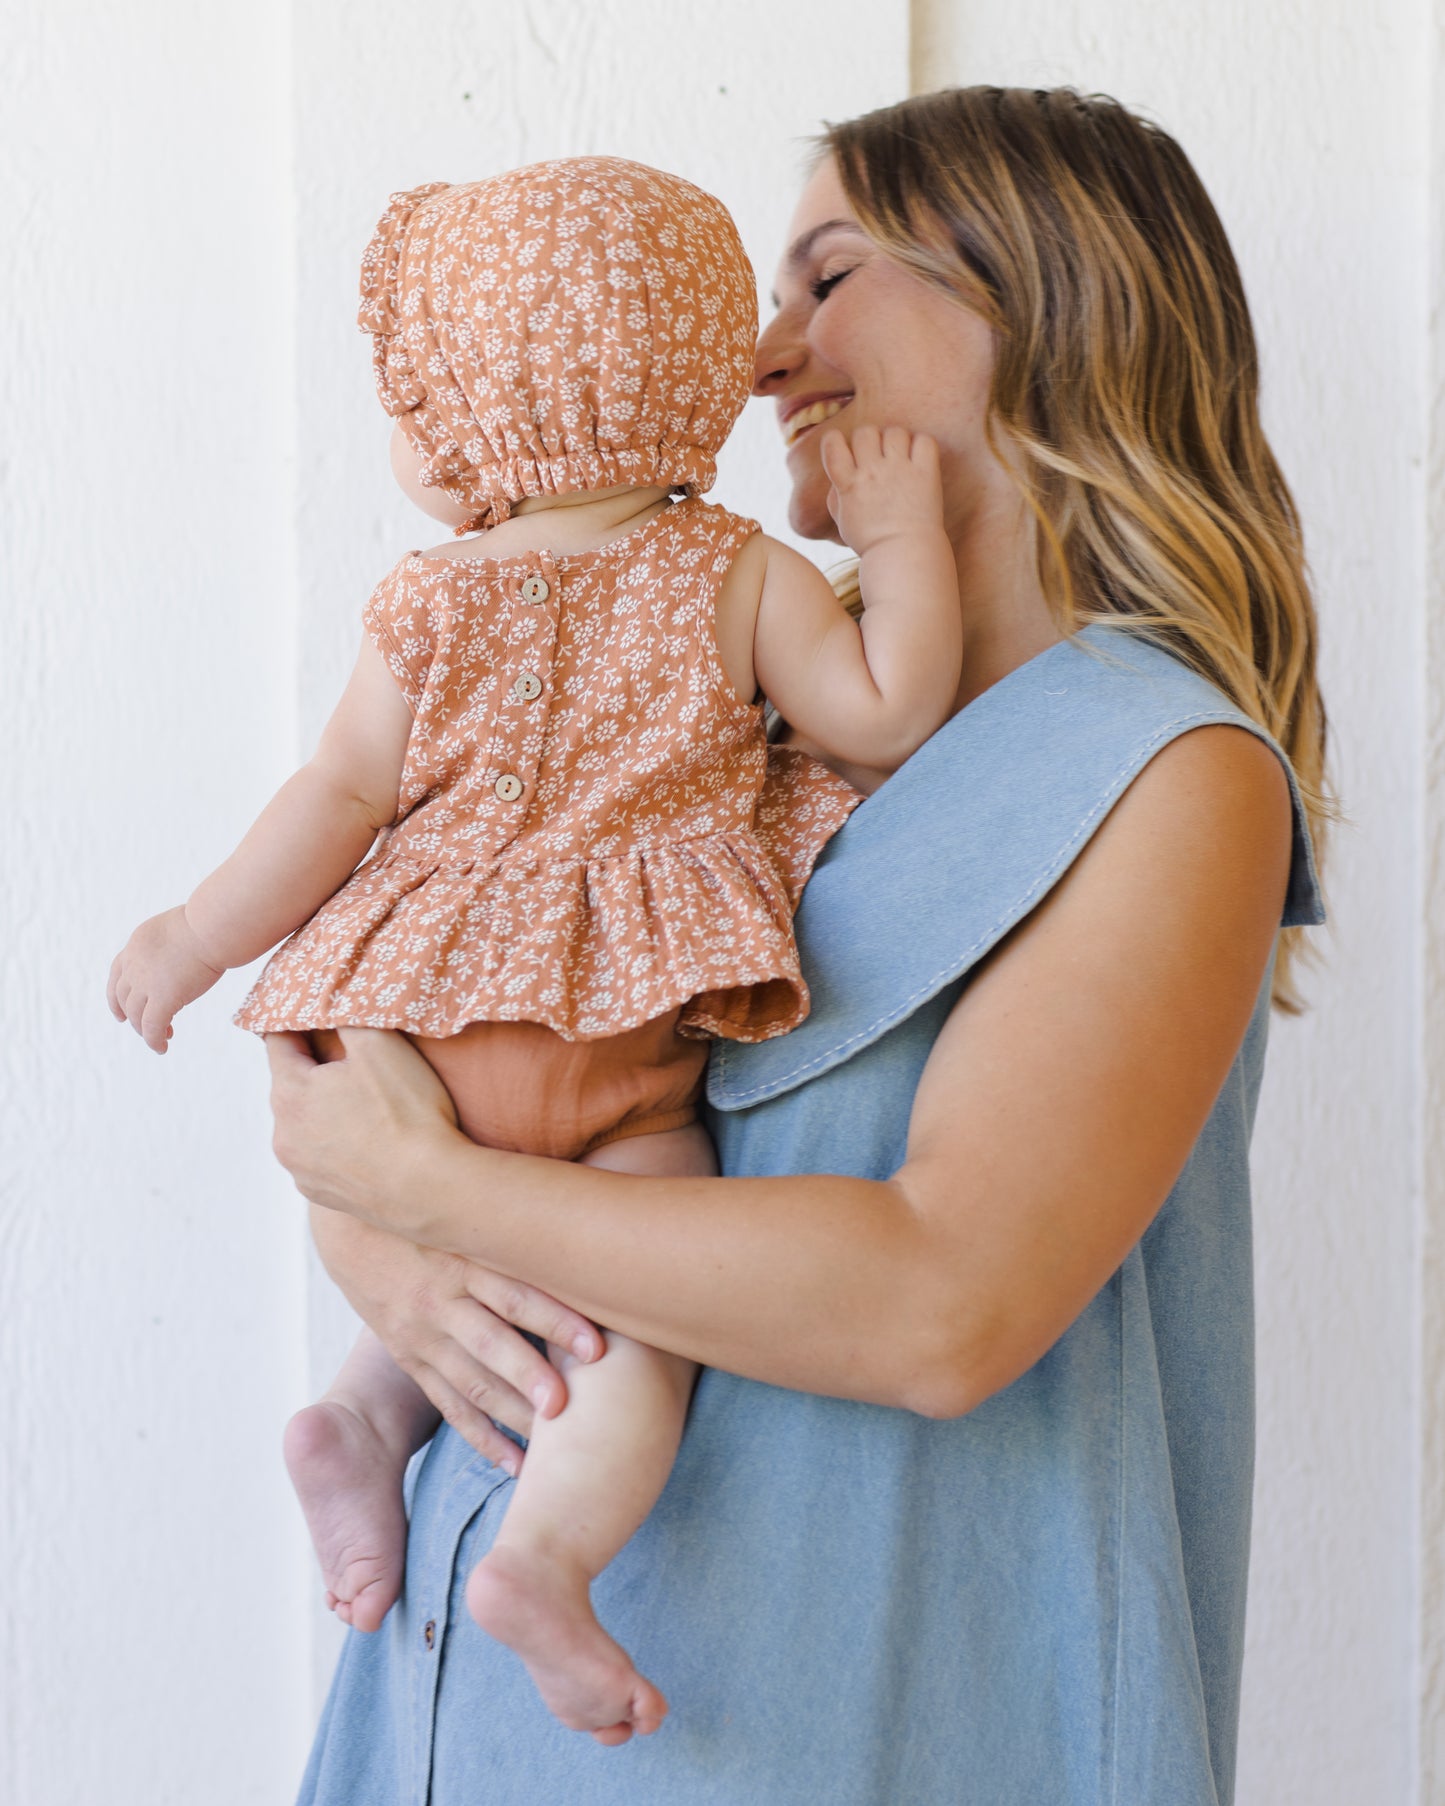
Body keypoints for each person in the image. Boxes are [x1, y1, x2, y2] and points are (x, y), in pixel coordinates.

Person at [267, 88, 1328, 1805]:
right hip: (471, 1719)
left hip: (864, 1735)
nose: (762, 357)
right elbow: (392, 982)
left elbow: (941, 1301)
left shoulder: (1166, 771)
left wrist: (432, 1197)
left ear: (1040, 300)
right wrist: (372, 1223)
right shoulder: (712, 706)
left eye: (825, 276)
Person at [105, 157, 962, 1743]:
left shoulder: (427, 598)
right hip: (615, 1047)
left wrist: (193, 937)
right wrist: (903, 539)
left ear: (470, 412)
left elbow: (334, 802)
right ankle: (547, 1554)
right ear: (686, 365)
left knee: (442, 1270)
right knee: (627, 1320)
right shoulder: (735, 572)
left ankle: (362, 1421)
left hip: (425, 1030)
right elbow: (889, 717)